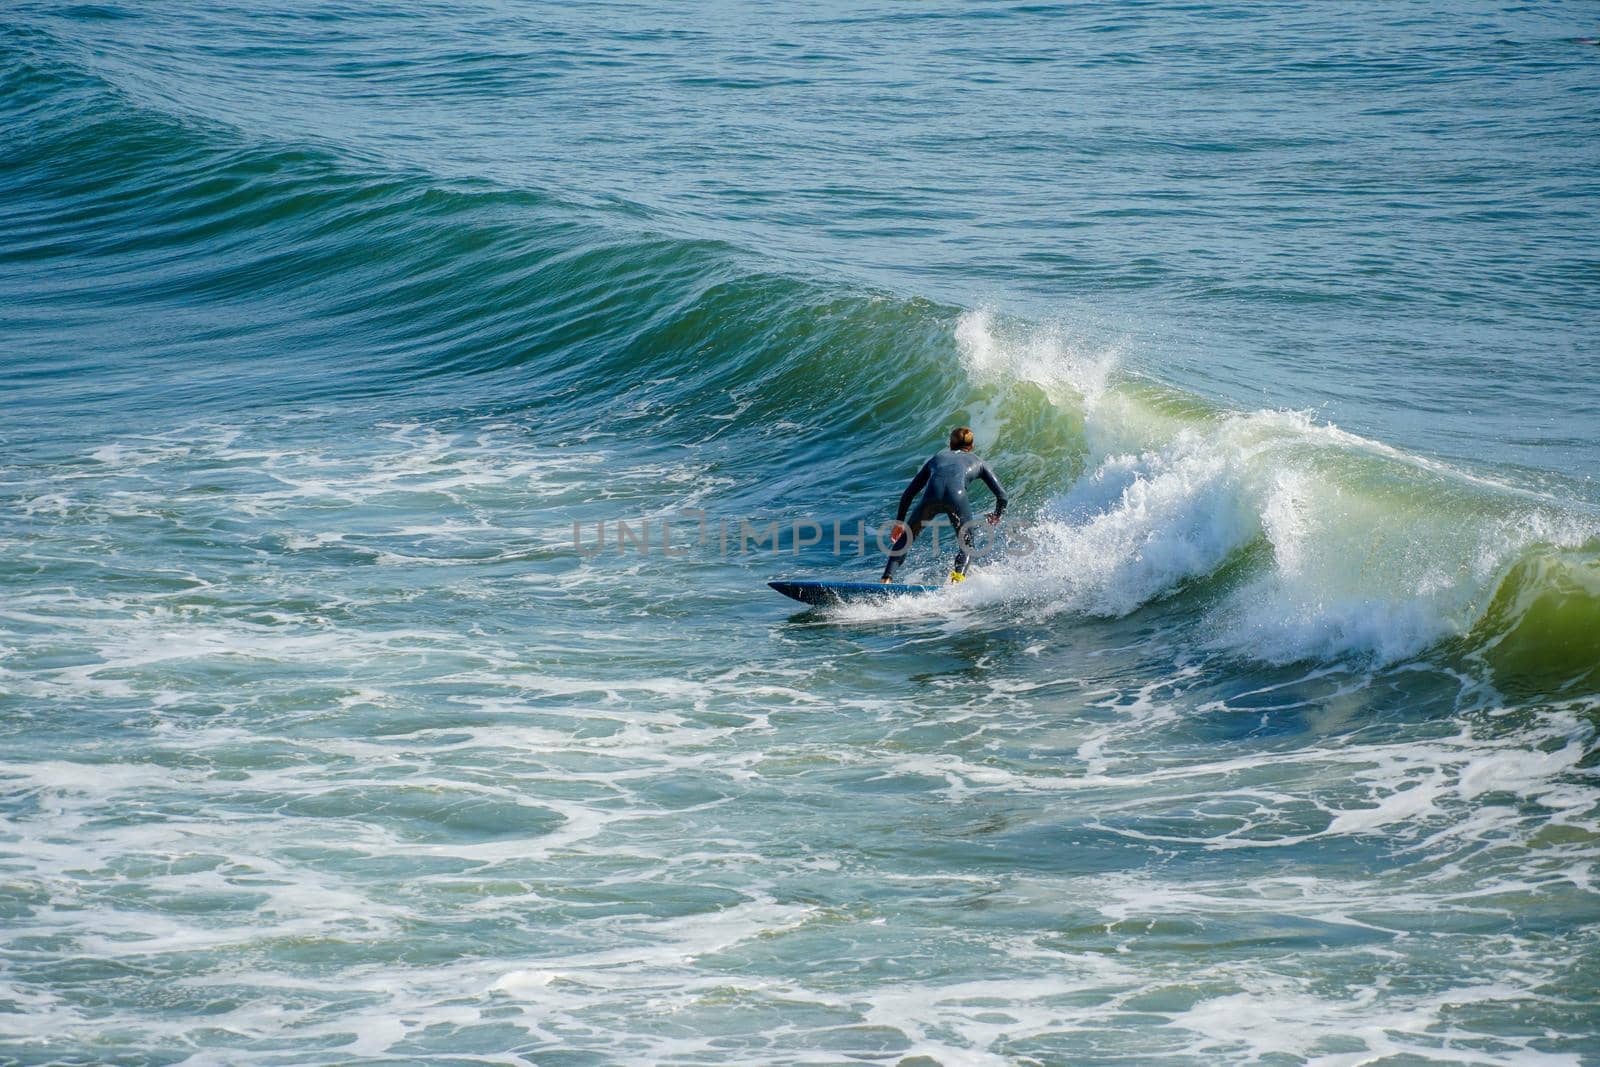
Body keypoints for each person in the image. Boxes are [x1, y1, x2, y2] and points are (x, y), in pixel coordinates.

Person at [881, 426, 1007, 584]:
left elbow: (909, 493)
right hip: (957, 499)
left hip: (930, 498)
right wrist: (997, 515)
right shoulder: (978, 462)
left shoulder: (936, 459)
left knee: (906, 538)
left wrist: (900, 522)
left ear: (950, 444)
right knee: (967, 544)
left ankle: (886, 580)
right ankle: (956, 583)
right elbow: (1002, 496)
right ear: (972, 446)